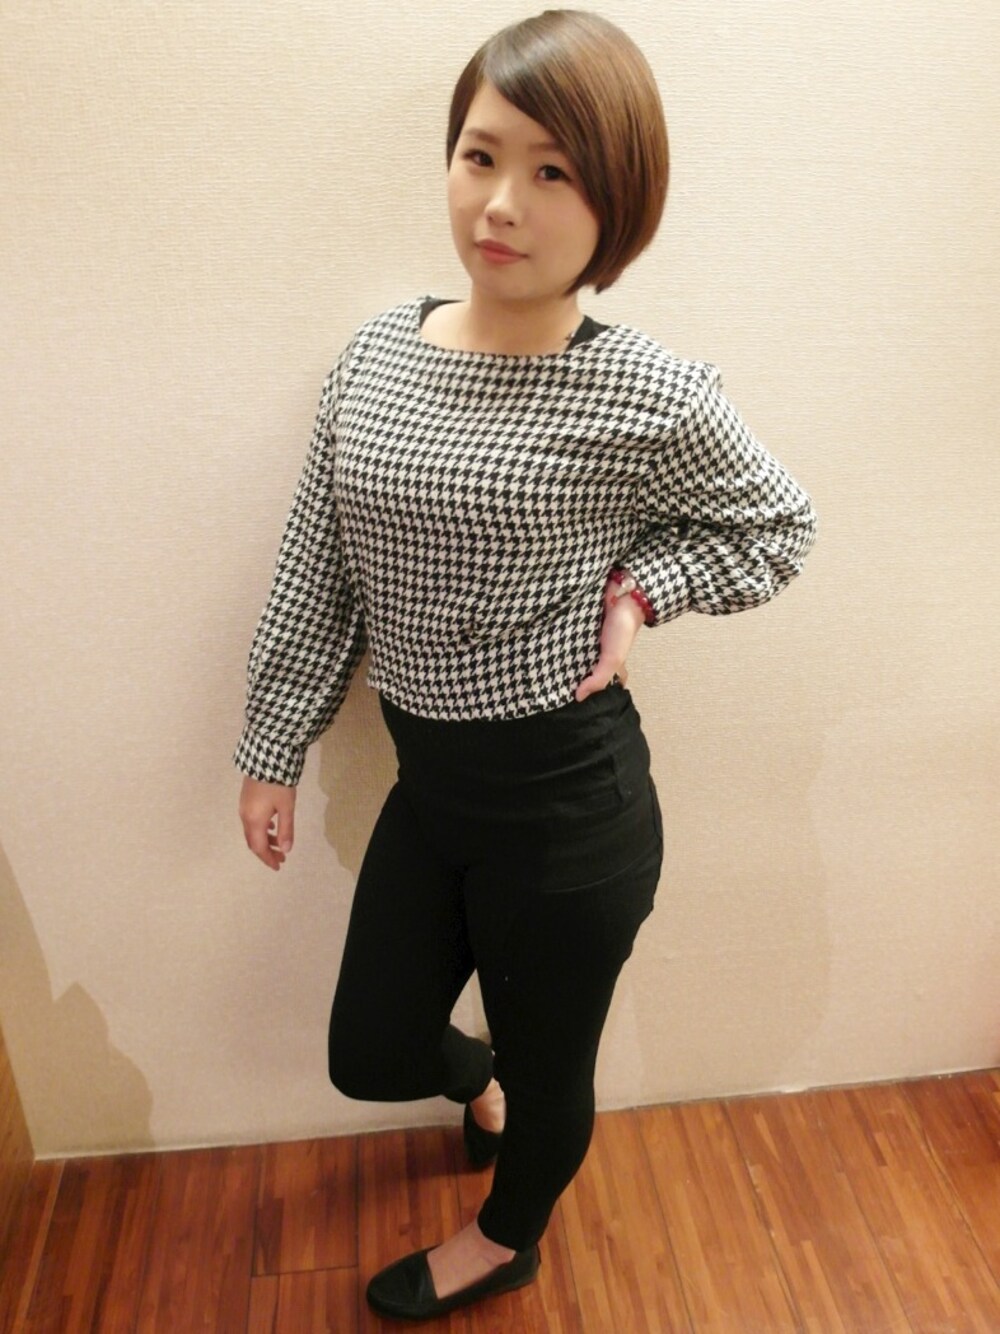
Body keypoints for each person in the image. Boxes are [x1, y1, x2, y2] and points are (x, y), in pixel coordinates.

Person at [236, 8, 817, 1321]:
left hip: (568, 809)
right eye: (480, 155)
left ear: (618, 201)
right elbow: (317, 567)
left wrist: (648, 588)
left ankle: (507, 1236)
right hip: (434, 792)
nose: (501, 203)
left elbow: (777, 527)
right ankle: (481, 1083)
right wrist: (271, 747)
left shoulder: (649, 393)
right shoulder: (375, 356)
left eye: (552, 172)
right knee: (372, 1046)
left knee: (555, 1071)